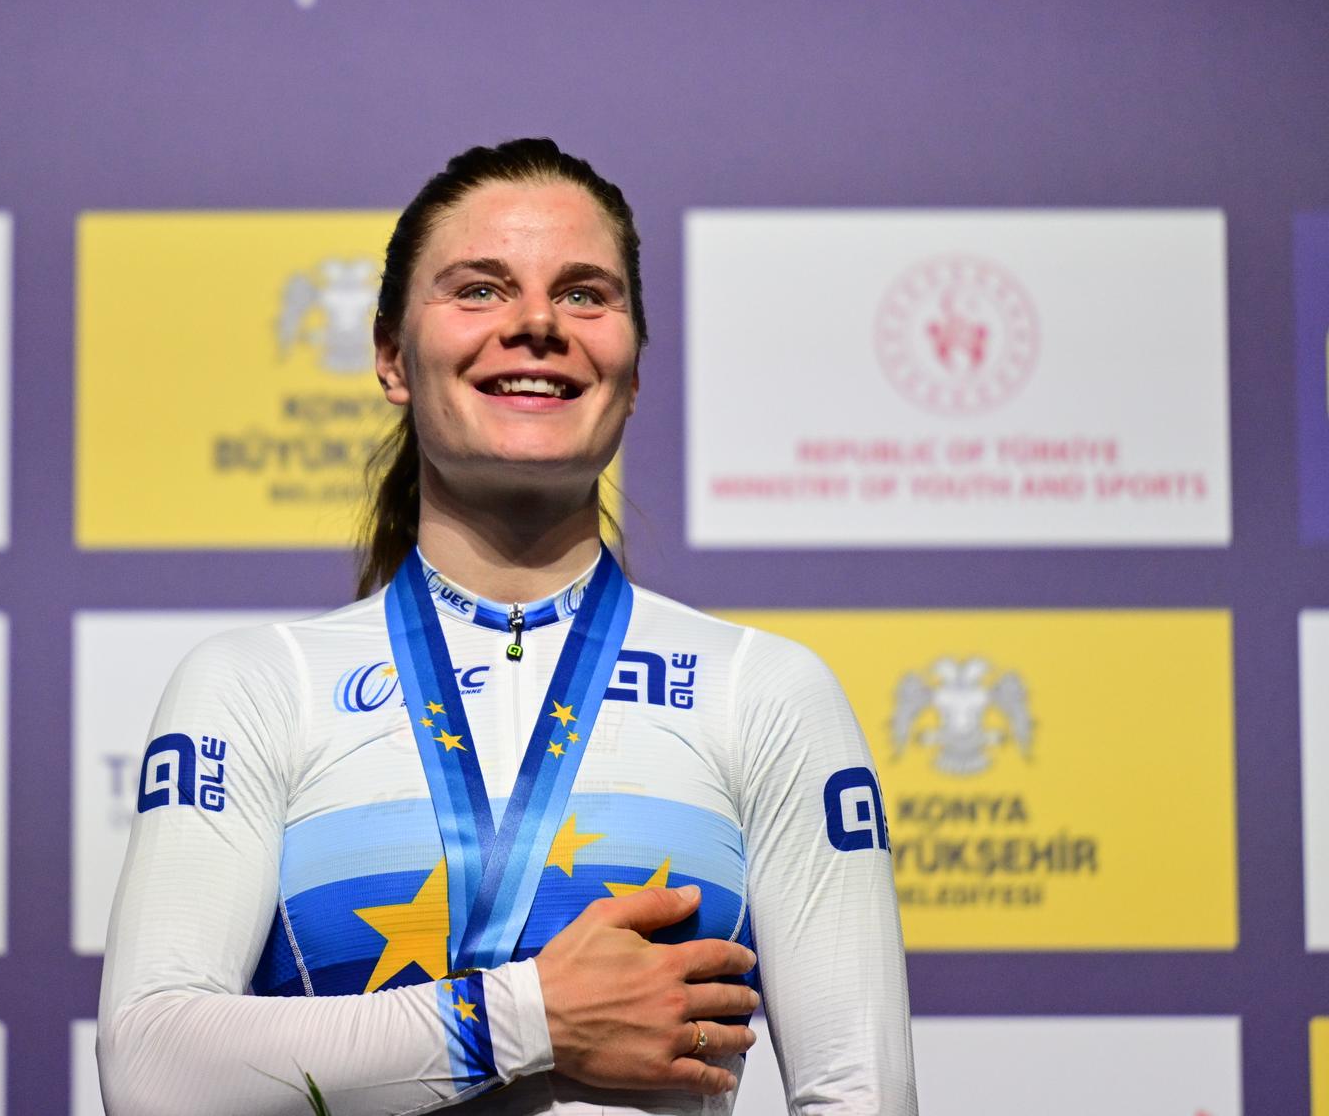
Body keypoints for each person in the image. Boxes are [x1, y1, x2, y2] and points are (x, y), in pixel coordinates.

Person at [98, 138, 916, 1114]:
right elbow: (152, 1071)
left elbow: (859, 1096)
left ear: (635, 368)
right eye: (480, 289)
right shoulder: (256, 683)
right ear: (392, 358)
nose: (536, 321)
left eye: (584, 293)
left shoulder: (766, 689)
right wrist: (530, 1015)